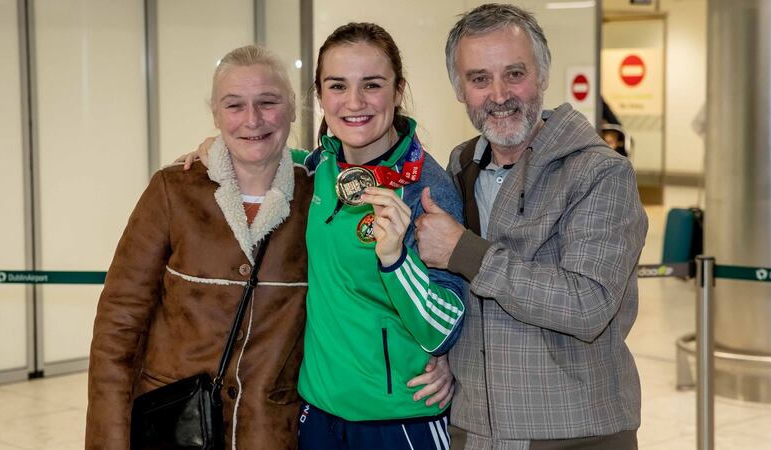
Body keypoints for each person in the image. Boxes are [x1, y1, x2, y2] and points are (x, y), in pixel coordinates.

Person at [181, 24, 465, 450]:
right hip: (318, 415)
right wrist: (219, 147)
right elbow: (273, 155)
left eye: (372, 85)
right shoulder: (319, 169)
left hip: (399, 421)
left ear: (398, 90)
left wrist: (395, 262)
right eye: (337, 86)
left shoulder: (426, 189)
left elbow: (443, 330)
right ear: (319, 95)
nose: (354, 103)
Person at [414, 4, 648, 449]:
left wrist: (465, 250)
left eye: (514, 73)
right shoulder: (461, 165)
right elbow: (453, 294)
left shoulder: (601, 174)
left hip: (574, 433)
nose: (499, 94)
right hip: (475, 429)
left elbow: (588, 305)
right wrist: (447, 357)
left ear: (541, 75)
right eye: (479, 78)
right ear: (460, 89)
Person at [86, 45, 313, 450]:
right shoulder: (173, 192)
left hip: (273, 433)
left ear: (293, 108)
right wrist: (109, 440)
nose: (252, 119)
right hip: (175, 427)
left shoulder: (317, 202)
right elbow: (118, 327)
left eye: (268, 102)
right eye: (234, 105)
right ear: (215, 113)